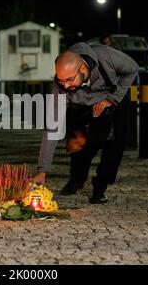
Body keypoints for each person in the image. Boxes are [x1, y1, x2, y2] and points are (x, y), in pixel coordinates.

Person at [32, 42, 139, 204]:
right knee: (77, 141)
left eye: (69, 80)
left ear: (82, 69)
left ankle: (101, 186)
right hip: (82, 103)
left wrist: (112, 99)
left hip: (113, 97)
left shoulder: (107, 57)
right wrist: (42, 170)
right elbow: (52, 127)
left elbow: (132, 68)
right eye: (62, 81)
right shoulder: (62, 85)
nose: (66, 86)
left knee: (115, 141)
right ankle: (76, 179)